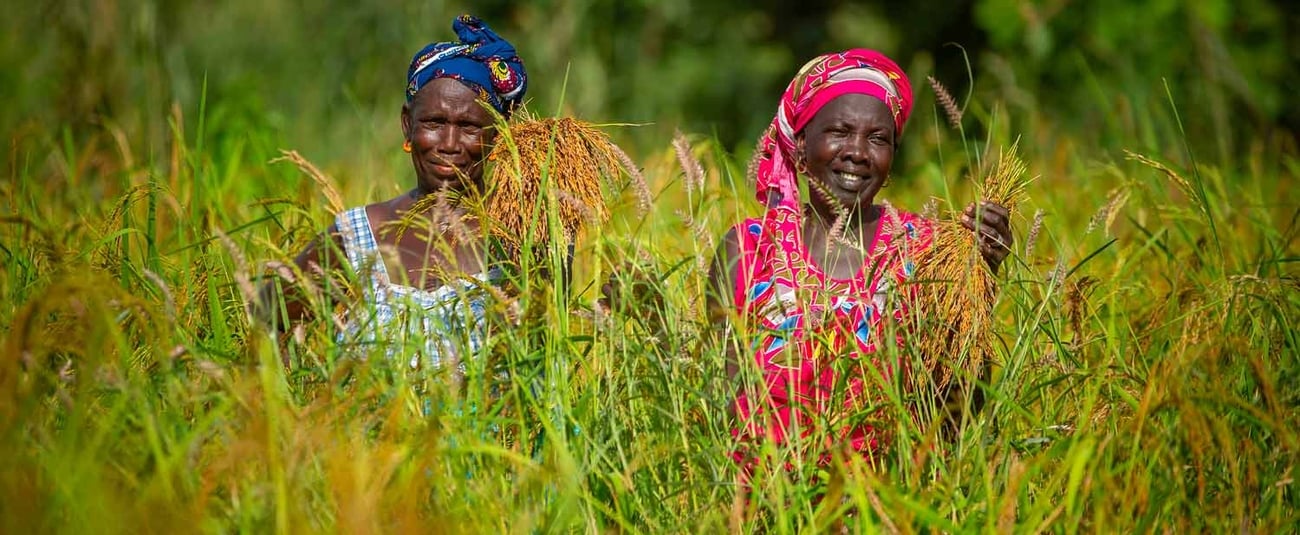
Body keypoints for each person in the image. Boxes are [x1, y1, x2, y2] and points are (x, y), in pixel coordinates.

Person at [707, 49, 1013, 471]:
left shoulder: (925, 251)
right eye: (839, 131)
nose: (857, 152)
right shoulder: (747, 250)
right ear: (800, 146)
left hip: (885, 506)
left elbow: (957, 415)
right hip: (760, 504)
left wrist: (979, 281)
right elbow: (714, 404)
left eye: (877, 138)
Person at [258, 14, 529, 369]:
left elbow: (547, 346)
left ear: (497, 136)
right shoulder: (360, 235)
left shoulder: (520, 238)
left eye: (469, 127)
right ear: (407, 125)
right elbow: (266, 310)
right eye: (433, 123)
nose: (449, 144)